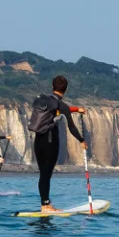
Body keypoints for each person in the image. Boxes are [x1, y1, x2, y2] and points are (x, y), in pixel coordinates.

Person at [28, 75, 87, 213]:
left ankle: (44, 204)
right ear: (65, 89)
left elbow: (60, 110)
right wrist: (82, 140)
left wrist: (76, 109)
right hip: (50, 142)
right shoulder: (62, 105)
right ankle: (46, 206)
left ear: (52, 87)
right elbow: (71, 127)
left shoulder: (44, 101)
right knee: (47, 174)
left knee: (43, 173)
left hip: (38, 140)